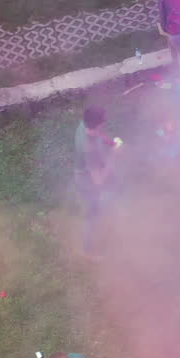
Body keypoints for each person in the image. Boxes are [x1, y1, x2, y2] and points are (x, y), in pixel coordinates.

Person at [73, 103, 118, 255]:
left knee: (110, 191)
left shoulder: (83, 124)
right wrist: (113, 158)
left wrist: (110, 143)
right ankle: (87, 250)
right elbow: (98, 181)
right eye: (103, 121)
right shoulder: (88, 148)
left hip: (91, 170)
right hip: (87, 182)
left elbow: (98, 133)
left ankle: (107, 213)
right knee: (91, 215)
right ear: (97, 124)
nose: (105, 123)